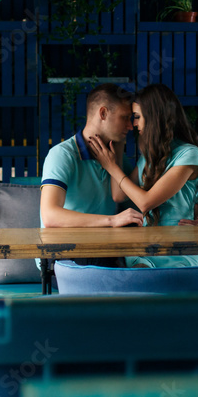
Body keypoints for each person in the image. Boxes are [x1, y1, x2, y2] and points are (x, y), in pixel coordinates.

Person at [88, 83, 198, 268]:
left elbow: (145, 203)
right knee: (140, 275)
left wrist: (111, 166)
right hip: (147, 244)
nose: (133, 124)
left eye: (137, 117)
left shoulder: (188, 154)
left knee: (151, 279)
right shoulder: (150, 157)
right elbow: (119, 195)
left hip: (179, 245)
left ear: (155, 117)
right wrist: (119, 145)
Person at [39, 84, 144, 268]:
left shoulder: (114, 157)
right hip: (63, 256)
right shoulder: (63, 155)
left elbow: (135, 207)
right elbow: (50, 216)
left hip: (102, 252)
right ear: (102, 113)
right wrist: (112, 221)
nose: (131, 125)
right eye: (125, 118)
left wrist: (181, 220)